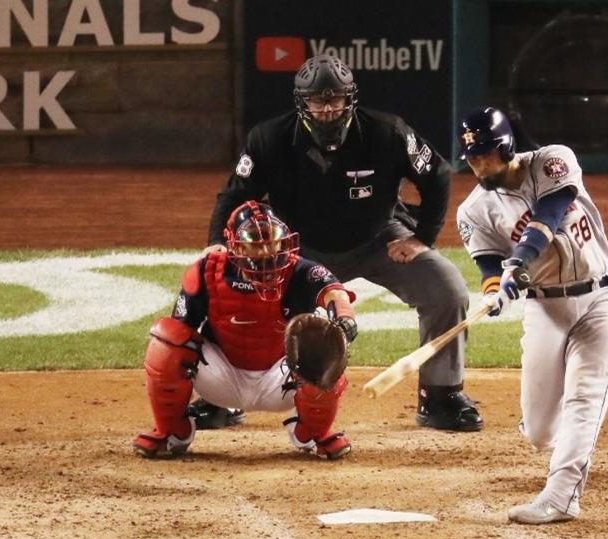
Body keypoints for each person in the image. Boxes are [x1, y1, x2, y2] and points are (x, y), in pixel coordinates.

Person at [194, 54, 481, 432]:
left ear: (350, 99)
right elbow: (232, 196)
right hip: (295, 251)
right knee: (224, 288)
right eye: (318, 100)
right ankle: (222, 398)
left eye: (336, 99)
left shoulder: (387, 132)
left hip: (380, 237)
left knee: (448, 289)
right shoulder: (269, 139)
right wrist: (217, 244)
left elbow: (439, 173)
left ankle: (441, 395)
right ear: (302, 102)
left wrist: (422, 238)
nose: (328, 109)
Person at [455, 106, 608, 524]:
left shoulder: (553, 159)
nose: (478, 165)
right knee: (539, 432)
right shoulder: (473, 211)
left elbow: (549, 214)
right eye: (472, 158)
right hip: (545, 309)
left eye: (485, 155)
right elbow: (489, 266)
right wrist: (495, 290)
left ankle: (562, 495)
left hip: (598, 300)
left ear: (507, 145)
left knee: (584, 397)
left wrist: (521, 261)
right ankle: (556, 430)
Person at [132, 201, 359, 460]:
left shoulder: (300, 270)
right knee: (167, 339)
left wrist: (344, 319)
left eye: (271, 240)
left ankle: (313, 433)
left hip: (280, 380)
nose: (265, 251)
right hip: (220, 378)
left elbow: (335, 293)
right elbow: (181, 327)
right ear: (234, 244)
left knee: (324, 350)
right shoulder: (207, 270)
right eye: (254, 242)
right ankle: (172, 433)